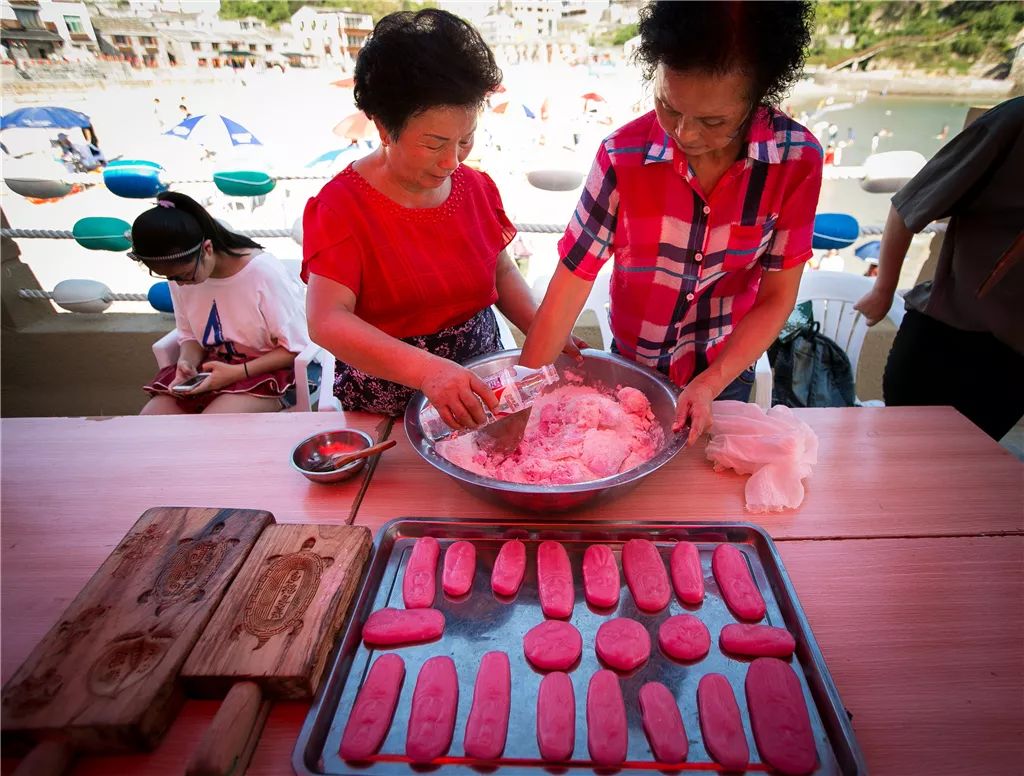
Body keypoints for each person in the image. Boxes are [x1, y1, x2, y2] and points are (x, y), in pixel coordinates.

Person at [520, 1, 822, 445]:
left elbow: (777, 298)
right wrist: (519, 398)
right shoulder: (621, 155)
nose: (685, 134)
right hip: (632, 373)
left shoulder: (796, 160)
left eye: (713, 121)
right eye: (668, 106)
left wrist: (710, 382)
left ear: (758, 97)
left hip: (724, 374)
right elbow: (572, 279)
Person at [302, 9, 582, 426]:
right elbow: (326, 320)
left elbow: (500, 271)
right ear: (383, 127)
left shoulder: (476, 187)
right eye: (433, 144)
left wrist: (547, 331)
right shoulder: (341, 207)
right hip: (388, 398)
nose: (452, 161)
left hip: (483, 376)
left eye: (465, 139)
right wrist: (428, 370)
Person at [854, 97, 1024, 440]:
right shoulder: (1013, 124)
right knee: (901, 458)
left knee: (967, 473)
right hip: (950, 343)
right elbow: (908, 205)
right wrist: (884, 289)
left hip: (1015, 365)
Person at [130, 192, 311, 415]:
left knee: (213, 425)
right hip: (213, 370)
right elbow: (190, 336)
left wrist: (236, 373)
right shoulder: (180, 276)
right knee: (151, 420)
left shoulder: (262, 273)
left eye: (185, 275)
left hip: (269, 373)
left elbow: (296, 347)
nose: (181, 284)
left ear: (207, 249)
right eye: (171, 278)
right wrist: (187, 362)